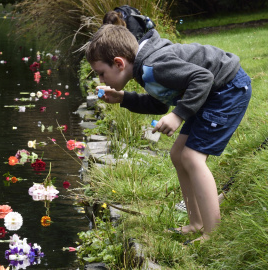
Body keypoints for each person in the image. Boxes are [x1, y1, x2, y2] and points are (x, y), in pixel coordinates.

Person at [85, 24, 251, 243]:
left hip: (227, 90)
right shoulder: (143, 69)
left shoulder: (155, 65)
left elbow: (203, 78)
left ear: (118, 63)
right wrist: (124, 98)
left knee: (192, 157)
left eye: (102, 74)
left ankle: (213, 232)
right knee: (177, 154)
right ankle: (196, 222)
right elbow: (160, 104)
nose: (102, 81)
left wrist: (178, 115)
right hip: (211, 94)